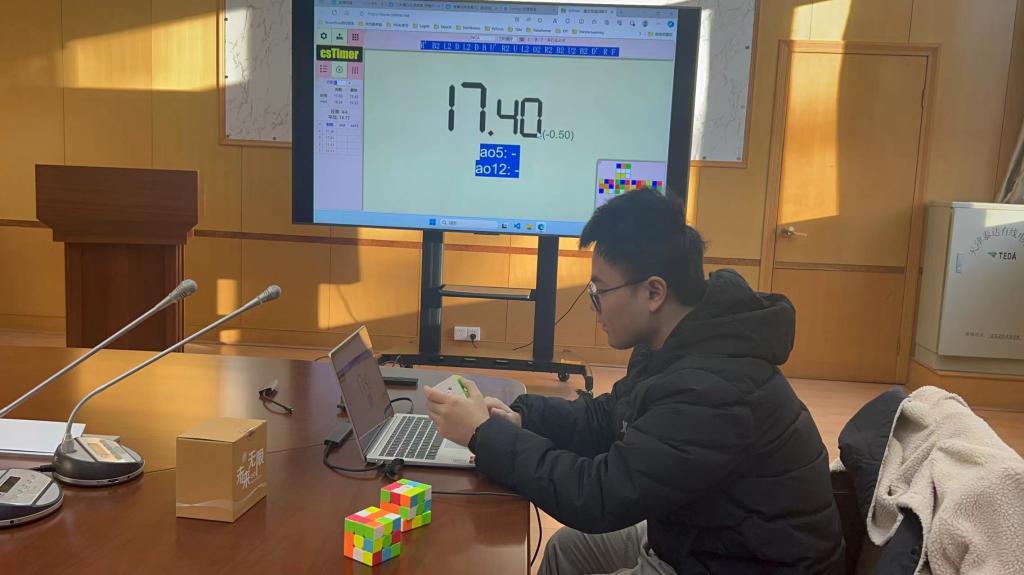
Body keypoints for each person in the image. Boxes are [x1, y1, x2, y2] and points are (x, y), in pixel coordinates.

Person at [425, 188, 845, 574]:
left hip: (746, 563)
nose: (594, 305)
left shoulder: (713, 388)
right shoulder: (678, 340)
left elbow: (599, 496)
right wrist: (521, 419)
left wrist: (483, 435)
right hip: (704, 533)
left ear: (654, 292)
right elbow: (609, 417)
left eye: (600, 291)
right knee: (568, 549)